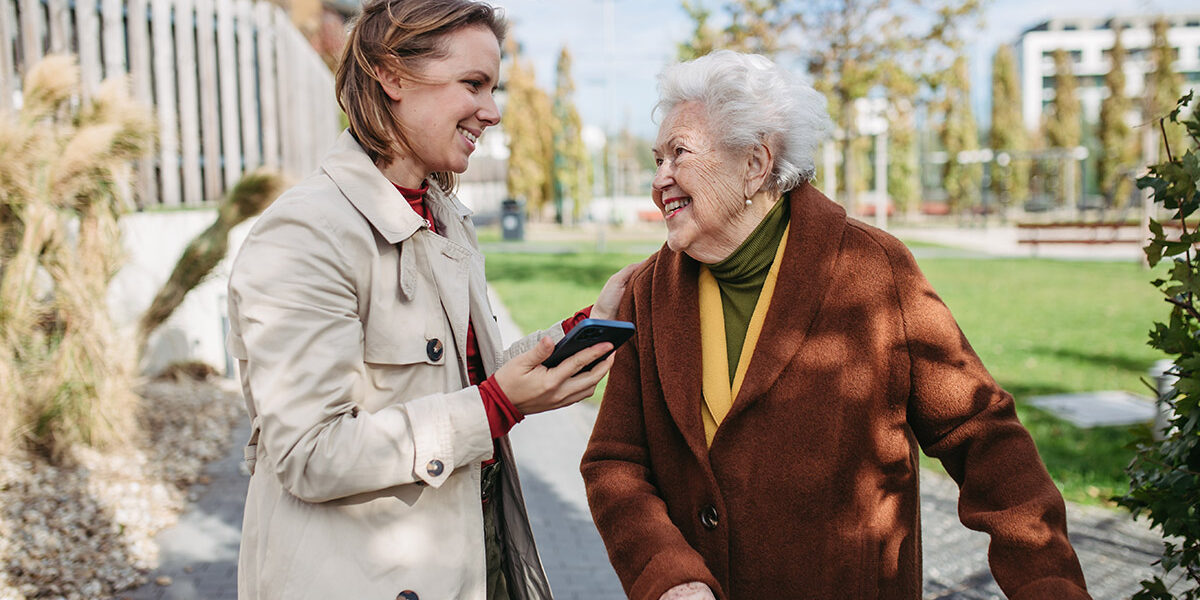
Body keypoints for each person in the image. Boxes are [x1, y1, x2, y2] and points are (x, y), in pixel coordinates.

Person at [580, 50, 1092, 600]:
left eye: (677, 154)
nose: (660, 181)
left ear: (755, 163)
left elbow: (983, 437)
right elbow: (615, 462)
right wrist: (669, 575)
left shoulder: (873, 269)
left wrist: (1048, 584)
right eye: (656, 160)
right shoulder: (649, 290)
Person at [226, 1, 637, 598]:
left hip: (474, 553)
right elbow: (309, 453)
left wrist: (584, 326)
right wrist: (498, 407)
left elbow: (461, 378)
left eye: (493, 89)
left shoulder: (444, 215)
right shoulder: (305, 234)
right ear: (392, 75)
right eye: (473, 84)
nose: (492, 112)